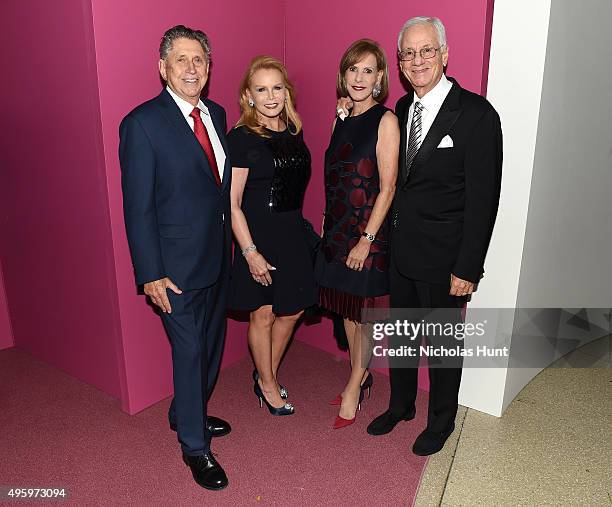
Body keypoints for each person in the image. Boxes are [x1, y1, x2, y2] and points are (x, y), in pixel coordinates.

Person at [338, 17, 502, 456]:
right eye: (408, 53)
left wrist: (467, 268)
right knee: (404, 335)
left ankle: (442, 420)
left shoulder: (477, 114)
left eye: (426, 50)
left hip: (448, 258)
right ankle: (401, 405)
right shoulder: (402, 112)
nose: (417, 60)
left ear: (445, 54)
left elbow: (484, 200)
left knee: (444, 344)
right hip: (401, 253)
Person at [119, 25, 232, 490]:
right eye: (181, 60)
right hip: (175, 269)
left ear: (208, 68)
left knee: (210, 347)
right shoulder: (142, 123)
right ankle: (194, 445)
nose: (191, 68)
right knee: (188, 352)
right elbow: (138, 207)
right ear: (162, 67)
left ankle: (186, 409)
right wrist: (150, 274)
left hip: (218, 259)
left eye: (199, 60)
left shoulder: (219, 114)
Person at [315, 39, 399, 429]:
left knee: (362, 316)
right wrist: (326, 224)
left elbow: (388, 187)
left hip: (367, 234)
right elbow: (333, 179)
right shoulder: (340, 119)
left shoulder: (386, 120)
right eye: (353, 69)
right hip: (336, 233)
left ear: (380, 77)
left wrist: (366, 241)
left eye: (368, 70)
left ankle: (353, 384)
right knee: (347, 314)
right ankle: (360, 375)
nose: (360, 77)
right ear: (343, 75)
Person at [227, 56, 316, 416]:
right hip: (257, 236)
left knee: (292, 310)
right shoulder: (241, 138)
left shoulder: (294, 132)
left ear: (286, 91)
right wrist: (250, 252)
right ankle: (266, 383)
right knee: (262, 315)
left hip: (292, 232)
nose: (270, 96)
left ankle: (266, 372)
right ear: (249, 95)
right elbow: (232, 204)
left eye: (276, 87)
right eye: (261, 89)